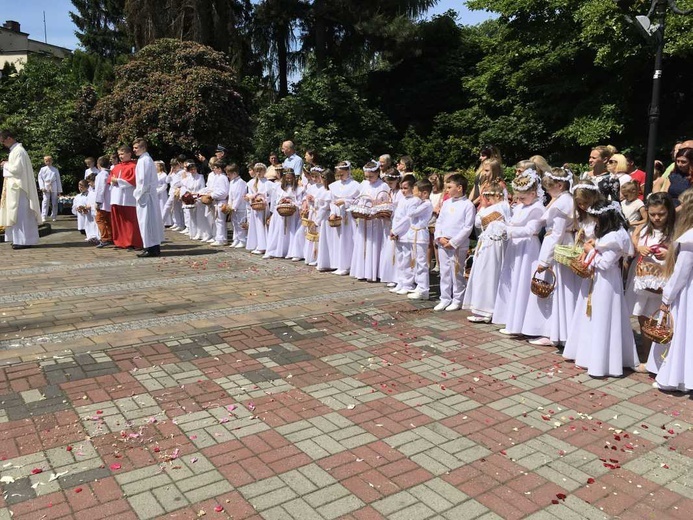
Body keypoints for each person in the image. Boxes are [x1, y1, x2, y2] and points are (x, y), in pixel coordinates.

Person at [566, 200, 638, 377]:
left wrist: (590, 249)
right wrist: (595, 245)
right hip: (598, 279)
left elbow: (605, 263)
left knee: (604, 316)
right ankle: (588, 355)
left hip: (607, 281)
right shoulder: (609, 235)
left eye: (598, 220)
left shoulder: (616, 237)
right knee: (593, 315)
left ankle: (603, 362)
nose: (596, 223)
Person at [522, 168, 580, 347]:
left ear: (560, 185)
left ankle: (560, 334)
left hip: (559, 248)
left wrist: (544, 261)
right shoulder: (562, 200)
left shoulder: (563, 203)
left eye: (549, 187)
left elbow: (556, 233)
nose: (547, 191)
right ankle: (556, 331)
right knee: (560, 290)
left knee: (560, 289)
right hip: (560, 244)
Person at [623, 192, 675, 373]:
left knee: (659, 318)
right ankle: (646, 354)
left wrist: (669, 253)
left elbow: (682, 253)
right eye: (652, 214)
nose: (657, 218)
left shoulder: (675, 230)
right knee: (643, 315)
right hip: (643, 278)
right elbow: (633, 245)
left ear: (669, 212)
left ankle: (660, 356)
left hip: (661, 278)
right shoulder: (645, 228)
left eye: (661, 214)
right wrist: (639, 247)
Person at [493, 170, 546, 334]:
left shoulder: (537, 208)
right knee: (512, 279)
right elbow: (514, 222)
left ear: (533, 193)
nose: (519, 201)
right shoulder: (521, 206)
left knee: (522, 282)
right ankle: (511, 320)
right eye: (518, 197)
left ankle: (521, 323)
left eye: (523, 197)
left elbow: (531, 229)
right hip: (516, 246)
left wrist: (508, 232)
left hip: (528, 248)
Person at [652, 189, 693, 391]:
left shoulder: (689, 238)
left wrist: (667, 298)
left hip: (687, 292)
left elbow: (680, 273)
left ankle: (677, 377)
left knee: (683, 331)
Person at [463, 179, 511, 322]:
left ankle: (486, 310)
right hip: (489, 244)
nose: (487, 201)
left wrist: (483, 206)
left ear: (497, 196)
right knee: (486, 274)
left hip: (492, 247)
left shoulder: (500, 207)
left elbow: (478, 221)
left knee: (488, 275)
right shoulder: (504, 206)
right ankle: (487, 309)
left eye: (488, 198)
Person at [433, 174, 475, 311]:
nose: (447, 190)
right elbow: (439, 221)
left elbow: (468, 227)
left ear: (459, 188)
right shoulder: (446, 203)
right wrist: (439, 237)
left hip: (457, 244)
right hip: (443, 242)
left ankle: (458, 299)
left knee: (457, 272)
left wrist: (454, 241)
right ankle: (445, 298)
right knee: (444, 271)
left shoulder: (468, 205)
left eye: (450, 187)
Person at [0, 129, 42, 249]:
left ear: (9, 138)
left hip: (20, 190)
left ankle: (24, 240)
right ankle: (19, 239)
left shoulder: (19, 151)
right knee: (17, 214)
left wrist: (5, 164)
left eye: (3, 141)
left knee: (21, 215)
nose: (3, 144)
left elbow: (17, 170)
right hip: (15, 188)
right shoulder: (15, 151)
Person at [350, 161, 391, 281]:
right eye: (366, 176)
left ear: (378, 173)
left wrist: (377, 206)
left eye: (371, 176)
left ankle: (374, 271)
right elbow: (356, 197)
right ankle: (362, 271)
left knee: (374, 243)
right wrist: (358, 206)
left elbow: (386, 202)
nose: (368, 179)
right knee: (363, 242)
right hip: (364, 218)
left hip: (376, 220)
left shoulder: (383, 186)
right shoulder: (363, 184)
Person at [132, 138, 164, 257]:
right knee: (147, 222)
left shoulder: (145, 160)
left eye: (136, 148)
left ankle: (151, 248)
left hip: (145, 196)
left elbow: (143, 180)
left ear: (143, 148)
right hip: (146, 194)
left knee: (147, 222)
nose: (134, 150)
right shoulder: (144, 159)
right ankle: (152, 247)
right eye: (134, 147)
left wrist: (138, 194)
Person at [404, 179, 434, 300]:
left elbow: (411, 213)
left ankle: (424, 289)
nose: (414, 195)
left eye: (416, 192)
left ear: (424, 193)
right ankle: (419, 285)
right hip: (414, 234)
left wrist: (414, 200)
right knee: (415, 262)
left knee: (421, 263)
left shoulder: (427, 204)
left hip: (420, 235)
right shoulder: (421, 203)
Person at [329, 161, 360, 275]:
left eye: (342, 174)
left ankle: (348, 265)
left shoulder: (355, 185)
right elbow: (332, 201)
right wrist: (332, 212)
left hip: (348, 216)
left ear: (348, 171)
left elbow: (357, 201)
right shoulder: (335, 185)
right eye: (338, 175)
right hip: (338, 215)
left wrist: (345, 201)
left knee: (348, 240)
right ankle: (338, 263)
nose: (340, 177)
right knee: (338, 240)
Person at [109, 145, 142, 250]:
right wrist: (113, 181)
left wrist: (117, 181)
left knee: (130, 221)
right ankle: (120, 242)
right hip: (116, 197)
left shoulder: (134, 166)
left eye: (122, 154)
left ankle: (132, 242)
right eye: (119, 154)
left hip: (128, 198)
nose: (120, 156)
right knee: (119, 221)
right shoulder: (116, 167)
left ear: (129, 154)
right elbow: (110, 178)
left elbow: (132, 180)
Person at [388, 174, 417, 294]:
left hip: (407, 234)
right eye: (401, 188)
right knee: (399, 260)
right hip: (398, 234)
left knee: (407, 260)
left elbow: (407, 219)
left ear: (412, 188)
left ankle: (408, 284)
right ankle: (400, 281)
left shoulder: (414, 201)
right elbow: (397, 217)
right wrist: (393, 229)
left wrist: (396, 230)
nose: (403, 191)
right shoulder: (402, 200)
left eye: (405, 188)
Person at [245, 163, 273, 255]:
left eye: (261, 171)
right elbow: (249, 193)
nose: (259, 173)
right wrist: (251, 197)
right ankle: (258, 244)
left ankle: (263, 246)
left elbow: (271, 196)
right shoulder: (252, 183)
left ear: (264, 171)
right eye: (257, 171)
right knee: (256, 226)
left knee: (262, 225)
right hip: (255, 207)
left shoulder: (268, 183)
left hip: (263, 207)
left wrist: (263, 199)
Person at [315, 168, 337, 272]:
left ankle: (330, 262)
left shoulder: (330, 192)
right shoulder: (322, 190)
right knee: (324, 240)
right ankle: (325, 261)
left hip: (326, 217)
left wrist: (317, 220)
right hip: (323, 217)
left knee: (328, 240)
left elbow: (324, 208)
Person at [180, 161, 205, 240]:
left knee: (199, 216)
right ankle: (192, 232)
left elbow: (203, 188)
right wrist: (187, 196)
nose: (193, 171)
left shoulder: (200, 177)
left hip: (198, 198)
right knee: (191, 216)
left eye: (194, 169)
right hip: (190, 198)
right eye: (191, 170)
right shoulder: (187, 178)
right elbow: (185, 188)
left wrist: (196, 194)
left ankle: (200, 233)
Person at [226, 163, 248, 248]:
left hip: (240, 207)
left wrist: (233, 207)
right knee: (234, 223)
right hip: (233, 207)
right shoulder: (232, 182)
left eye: (229, 174)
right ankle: (236, 239)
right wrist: (229, 205)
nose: (228, 176)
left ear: (235, 173)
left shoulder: (241, 182)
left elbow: (239, 196)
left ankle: (243, 240)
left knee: (240, 223)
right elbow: (230, 195)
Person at [94, 155, 113, 248]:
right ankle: (111, 237)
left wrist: (98, 202)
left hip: (104, 202)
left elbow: (99, 189)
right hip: (110, 201)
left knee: (99, 219)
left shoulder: (101, 175)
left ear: (98, 165)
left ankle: (105, 238)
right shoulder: (110, 173)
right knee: (108, 220)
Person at [37, 156, 62, 221]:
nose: (48, 162)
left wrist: (59, 190)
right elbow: (40, 178)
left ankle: (54, 216)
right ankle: (44, 216)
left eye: (49, 161)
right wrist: (42, 187)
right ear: (44, 161)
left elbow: (58, 179)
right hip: (46, 185)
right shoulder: (42, 169)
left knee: (54, 201)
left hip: (54, 185)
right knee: (45, 201)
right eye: (46, 161)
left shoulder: (55, 169)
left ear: (52, 161)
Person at [155, 160, 172, 227]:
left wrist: (158, 191)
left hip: (162, 193)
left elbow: (165, 185)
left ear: (160, 167)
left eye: (156, 166)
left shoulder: (164, 175)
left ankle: (165, 221)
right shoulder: (155, 174)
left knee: (162, 205)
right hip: (155, 191)